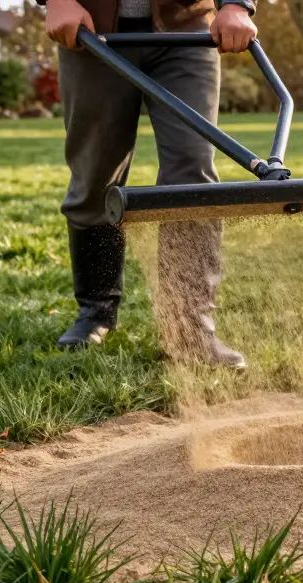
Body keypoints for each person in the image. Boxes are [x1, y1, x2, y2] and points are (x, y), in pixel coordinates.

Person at [42, 0, 256, 367]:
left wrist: (236, 5)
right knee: (96, 175)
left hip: (185, 28)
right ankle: (96, 311)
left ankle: (190, 328)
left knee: (192, 177)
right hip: (91, 28)